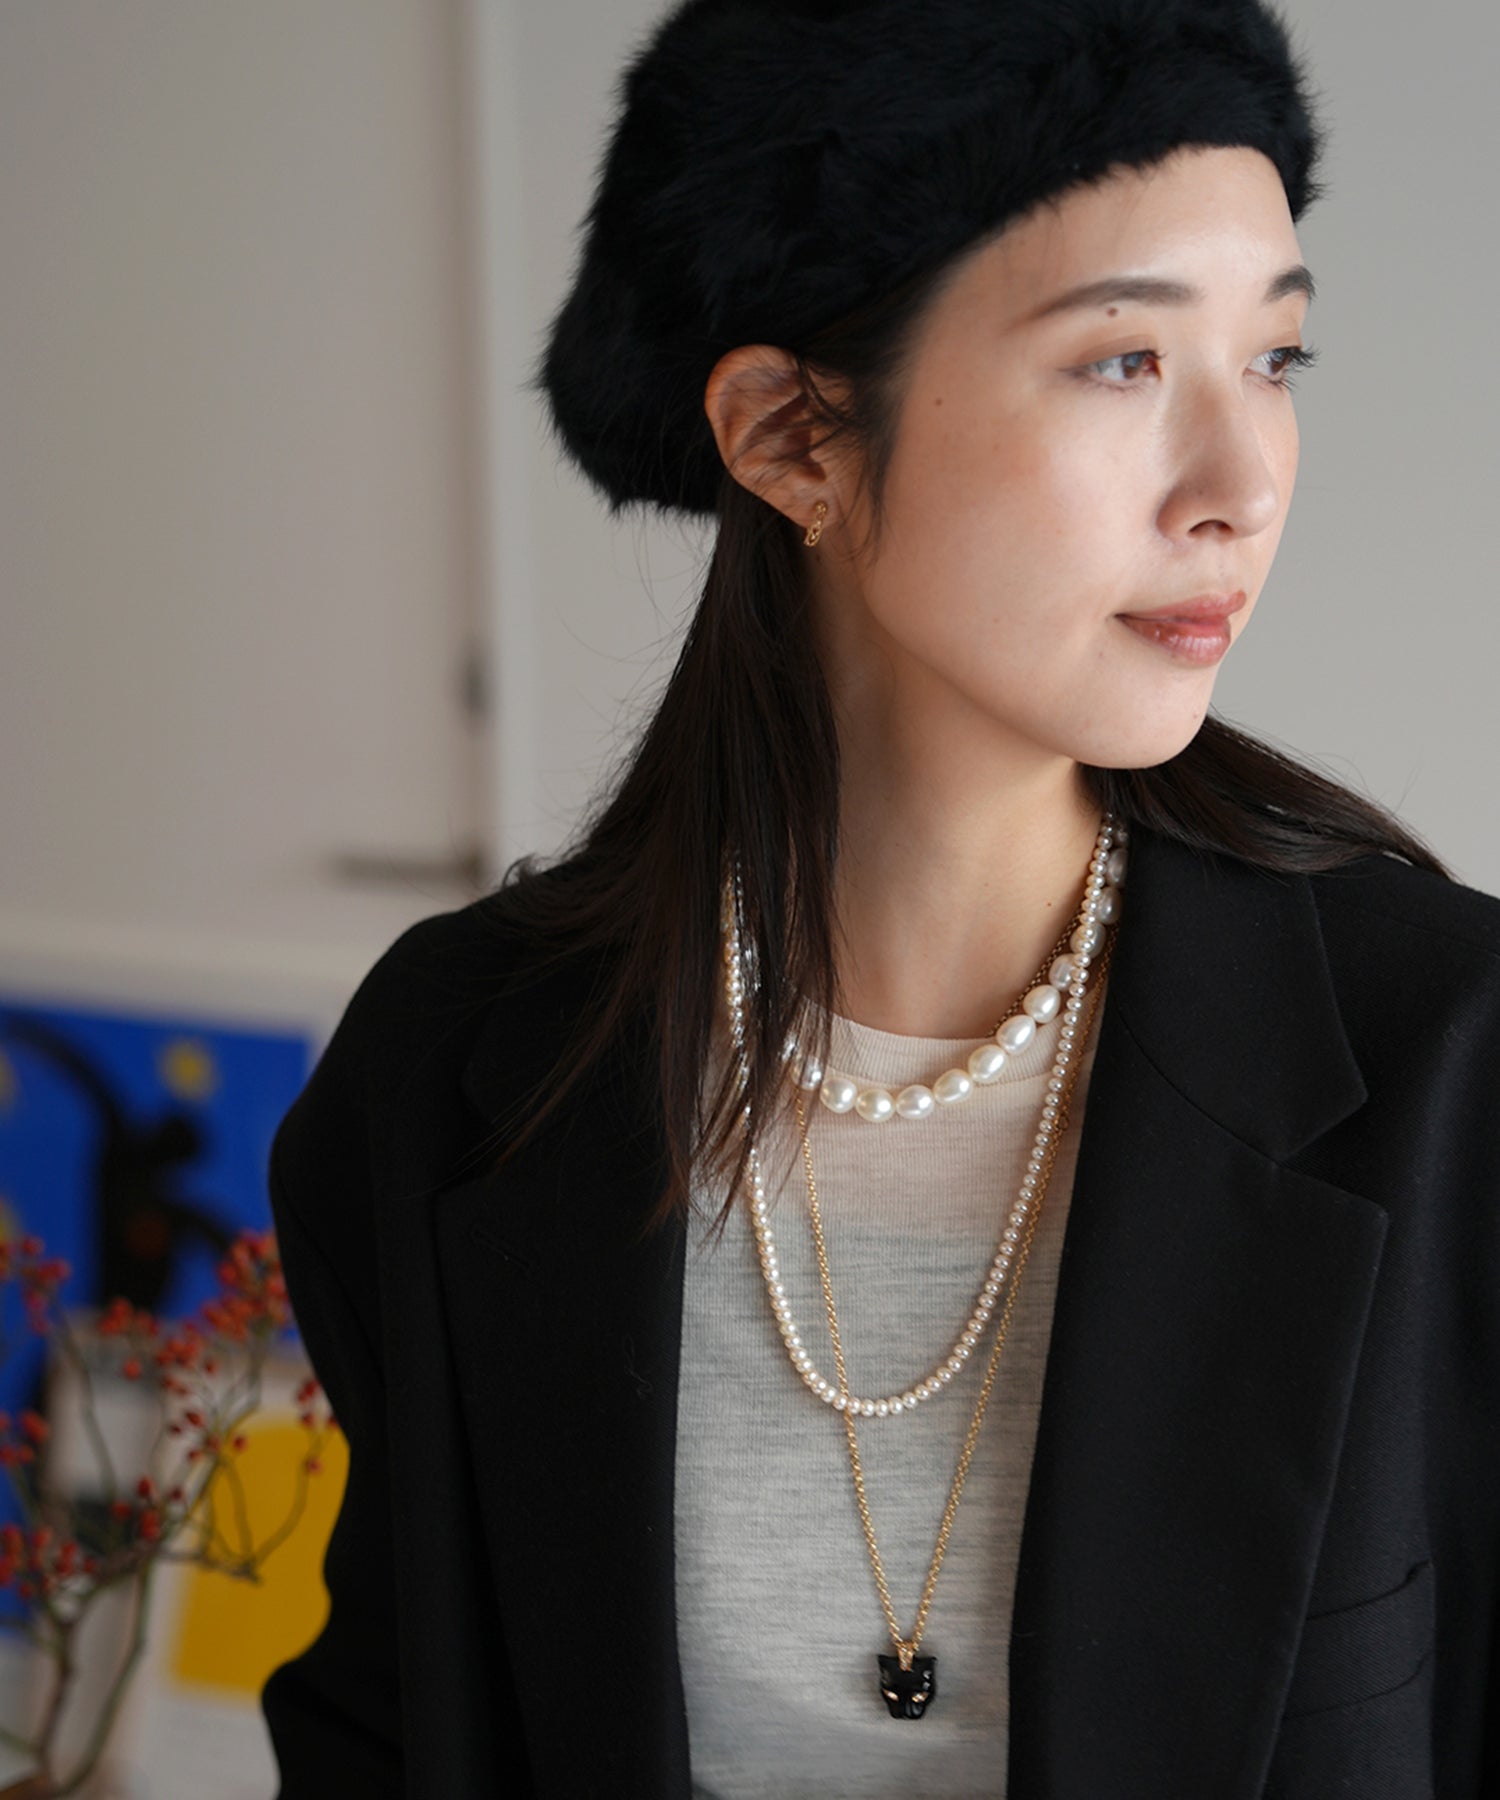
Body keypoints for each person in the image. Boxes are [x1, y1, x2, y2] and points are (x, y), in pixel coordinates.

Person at [259, 1, 1500, 1795]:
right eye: (1124, 362)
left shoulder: (1447, 1063)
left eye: (1276, 358)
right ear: (791, 440)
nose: (1242, 486)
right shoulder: (458, 1070)